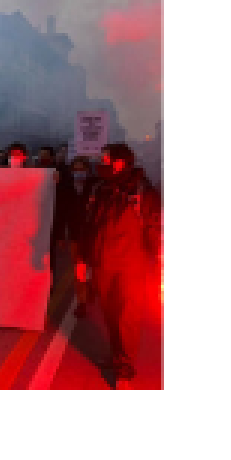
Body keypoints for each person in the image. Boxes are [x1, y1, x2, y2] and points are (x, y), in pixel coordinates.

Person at [79, 142, 162, 387]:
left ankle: (125, 369)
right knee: (110, 314)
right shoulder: (99, 189)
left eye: (105, 159)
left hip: (131, 267)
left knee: (128, 316)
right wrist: (83, 259)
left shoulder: (143, 192)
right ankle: (117, 356)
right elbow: (88, 227)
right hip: (103, 264)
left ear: (119, 162)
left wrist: (158, 261)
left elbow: (155, 228)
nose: (100, 163)